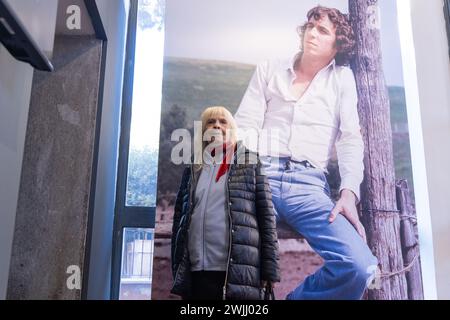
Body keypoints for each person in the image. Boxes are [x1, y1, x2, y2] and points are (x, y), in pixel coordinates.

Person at [234, 6, 378, 300]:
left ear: (338, 44)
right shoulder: (269, 68)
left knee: (360, 267)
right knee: (229, 244)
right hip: (262, 177)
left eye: (323, 30)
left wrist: (349, 192)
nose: (312, 32)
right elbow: (245, 126)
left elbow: (350, 140)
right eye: (311, 25)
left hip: (309, 186)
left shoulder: (342, 80)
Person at [170, 106, 280, 300]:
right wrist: (177, 265)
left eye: (223, 121)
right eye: (211, 122)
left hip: (237, 270)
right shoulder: (194, 166)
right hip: (197, 269)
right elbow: (180, 216)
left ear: (232, 128)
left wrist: (269, 270)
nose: (216, 126)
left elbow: (267, 216)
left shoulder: (250, 161)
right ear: (203, 130)